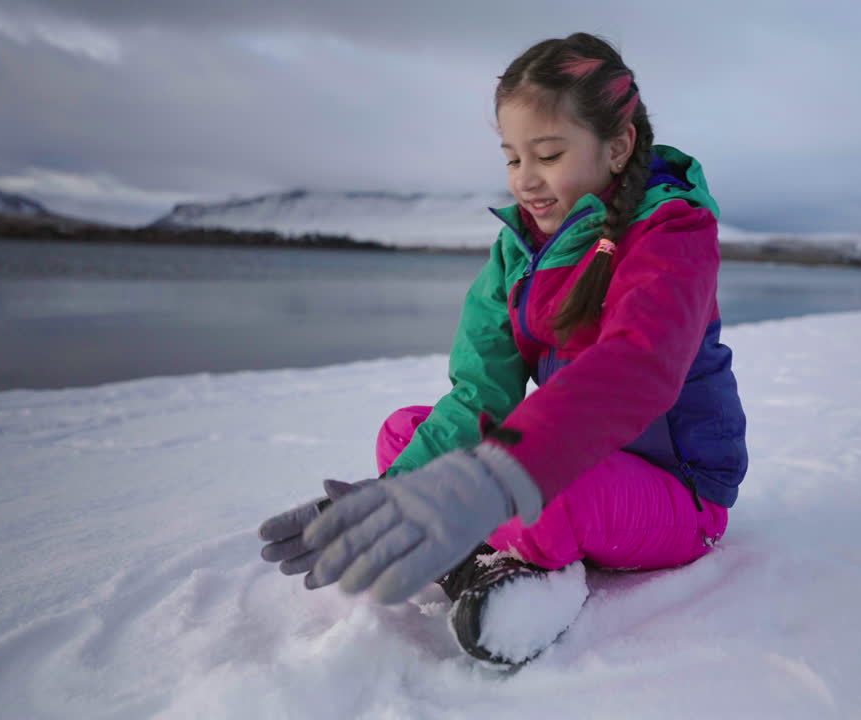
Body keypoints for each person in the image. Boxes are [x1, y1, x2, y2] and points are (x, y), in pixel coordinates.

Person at [257, 32, 748, 666]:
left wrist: (491, 480)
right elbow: (479, 392)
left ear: (618, 146)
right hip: (564, 460)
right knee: (406, 434)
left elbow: (636, 367)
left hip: (681, 497)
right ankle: (480, 560)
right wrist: (399, 490)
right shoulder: (518, 251)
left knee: (544, 493)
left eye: (548, 154)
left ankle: (492, 551)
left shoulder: (672, 235)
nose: (526, 180)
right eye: (512, 158)